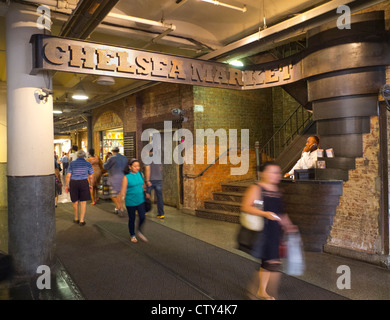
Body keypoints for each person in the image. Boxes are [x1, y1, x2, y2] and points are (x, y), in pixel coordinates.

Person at [241, 161, 297, 300]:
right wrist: (265, 214)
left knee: (269, 263)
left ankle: (258, 291)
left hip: (275, 231)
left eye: (277, 172)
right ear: (263, 173)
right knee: (272, 263)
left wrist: (288, 225)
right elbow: (246, 207)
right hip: (263, 231)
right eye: (273, 172)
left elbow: (281, 212)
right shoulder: (256, 188)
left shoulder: (278, 191)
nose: (276, 175)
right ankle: (261, 292)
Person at [119, 158, 150, 243]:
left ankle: (139, 230)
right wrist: (121, 205)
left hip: (141, 199)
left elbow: (143, 185)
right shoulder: (126, 177)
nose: (137, 168)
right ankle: (132, 235)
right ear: (130, 167)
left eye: (138, 166)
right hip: (131, 201)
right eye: (135, 166)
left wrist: (146, 192)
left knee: (142, 216)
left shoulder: (140, 174)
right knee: (132, 219)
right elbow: (123, 191)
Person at [65, 149, 94, 226]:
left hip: (74, 182)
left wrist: (66, 185)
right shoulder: (88, 163)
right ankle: (82, 220)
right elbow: (91, 176)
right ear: (84, 156)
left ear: (77, 155)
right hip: (84, 182)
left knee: (75, 201)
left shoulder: (72, 163)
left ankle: (76, 218)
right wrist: (91, 184)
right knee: (83, 202)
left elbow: (68, 175)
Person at [103, 147, 128, 214]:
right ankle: (120, 208)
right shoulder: (124, 158)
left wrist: (106, 159)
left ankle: (118, 206)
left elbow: (105, 166)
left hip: (114, 177)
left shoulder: (112, 158)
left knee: (113, 194)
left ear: (112, 151)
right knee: (120, 194)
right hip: (123, 177)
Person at [144, 151, 165, 219]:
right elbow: (161, 168)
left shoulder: (147, 158)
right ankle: (161, 214)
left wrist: (147, 180)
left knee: (146, 195)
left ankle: (144, 211)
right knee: (159, 197)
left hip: (151, 180)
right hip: (158, 179)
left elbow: (148, 169)